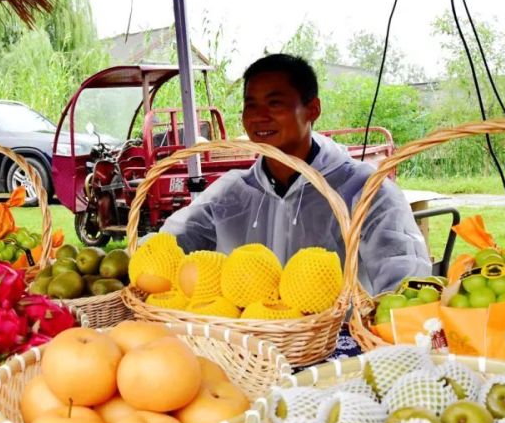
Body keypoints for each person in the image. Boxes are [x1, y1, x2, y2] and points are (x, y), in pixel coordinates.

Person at [161, 53, 430, 294]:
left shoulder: (363, 191)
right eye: (251, 105)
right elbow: (166, 248)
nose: (259, 116)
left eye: (275, 103)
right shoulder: (232, 193)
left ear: (313, 109)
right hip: (248, 334)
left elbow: (404, 281)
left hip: (343, 334)